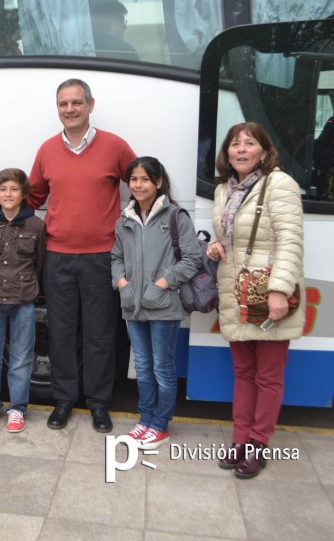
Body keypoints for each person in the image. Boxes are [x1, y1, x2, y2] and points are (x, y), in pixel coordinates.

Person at [0, 78, 137, 432]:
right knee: (61, 333)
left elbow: (142, 184)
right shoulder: (47, 150)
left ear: (91, 105)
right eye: (63, 104)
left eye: (77, 102)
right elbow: (30, 198)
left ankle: (98, 404)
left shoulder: (115, 146)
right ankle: (64, 401)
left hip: (101, 257)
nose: (70, 109)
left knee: (100, 334)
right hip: (58, 257)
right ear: (57, 109)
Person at [207, 122, 305, 479]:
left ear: (264, 151)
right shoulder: (224, 189)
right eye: (235, 144)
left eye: (249, 143)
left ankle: (257, 445)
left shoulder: (279, 184)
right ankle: (239, 440)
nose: (241, 149)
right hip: (237, 292)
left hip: (267, 293)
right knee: (243, 372)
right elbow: (231, 238)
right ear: (227, 152)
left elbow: (290, 240)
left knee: (268, 376)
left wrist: (279, 290)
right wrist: (216, 246)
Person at [112, 157, 202, 449]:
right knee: (142, 366)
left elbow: (193, 259)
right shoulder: (124, 219)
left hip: (164, 306)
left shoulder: (175, 216)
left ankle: (160, 425)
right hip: (133, 306)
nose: (138, 185)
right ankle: (145, 419)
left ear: (158, 182)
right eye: (134, 179)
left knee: (162, 367)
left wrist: (161, 284)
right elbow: (116, 257)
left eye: (145, 179)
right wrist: (122, 284)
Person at [0, 168, 46, 433]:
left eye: (14, 189)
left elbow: (39, 264)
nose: (8, 194)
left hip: (23, 301)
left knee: (21, 360)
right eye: (3, 189)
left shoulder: (37, 226)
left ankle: (17, 409)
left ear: (24, 193)